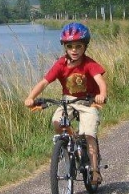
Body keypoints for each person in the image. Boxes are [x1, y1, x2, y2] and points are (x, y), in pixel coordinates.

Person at [25, 22, 107, 185]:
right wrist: (31, 97)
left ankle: (95, 170)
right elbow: (44, 82)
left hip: (87, 102)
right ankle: (72, 141)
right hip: (67, 101)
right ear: (65, 47)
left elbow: (100, 81)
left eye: (78, 46)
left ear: (85, 46)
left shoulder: (89, 64)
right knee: (57, 122)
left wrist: (102, 95)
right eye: (70, 46)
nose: (74, 50)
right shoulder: (61, 64)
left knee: (90, 133)